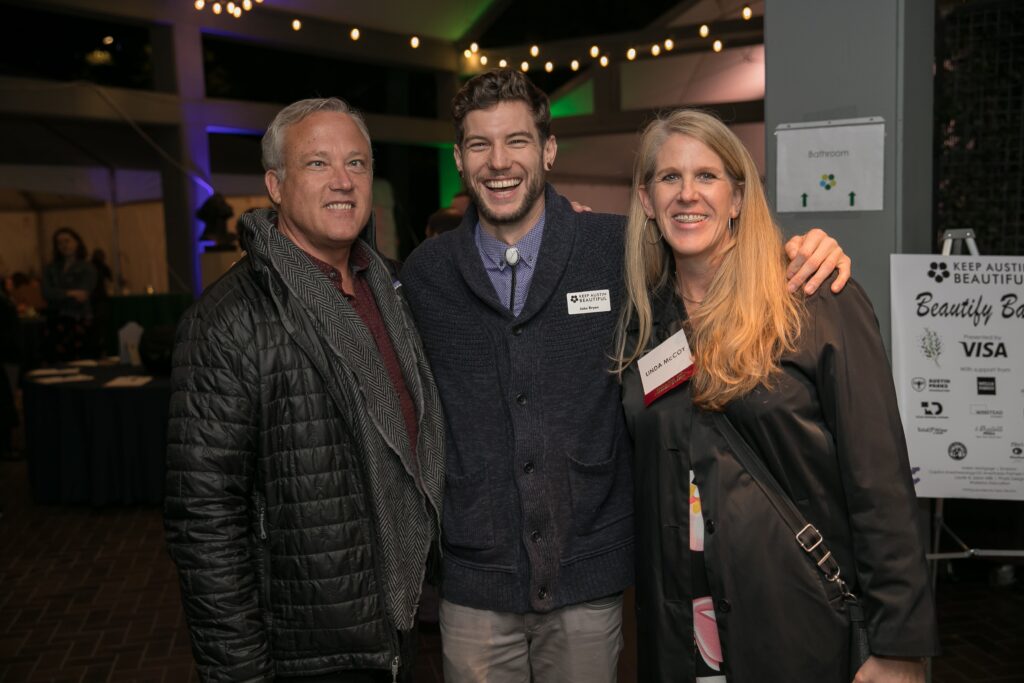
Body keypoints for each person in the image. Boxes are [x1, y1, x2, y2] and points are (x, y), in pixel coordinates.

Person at [399, 69, 850, 683]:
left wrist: (799, 251)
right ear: (459, 157)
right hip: (476, 583)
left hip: (589, 576)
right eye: (479, 145)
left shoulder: (614, 249)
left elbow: (708, 253)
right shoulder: (426, 276)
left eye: (518, 142)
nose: (498, 161)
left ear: (549, 150)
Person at [615, 110, 938, 682]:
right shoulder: (642, 325)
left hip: (796, 628)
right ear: (646, 199)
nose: (688, 194)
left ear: (739, 196)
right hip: (680, 633)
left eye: (708, 177)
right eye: (669, 178)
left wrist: (900, 645)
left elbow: (879, 480)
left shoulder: (811, 301)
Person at [164, 97, 446, 682]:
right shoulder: (227, 320)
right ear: (275, 184)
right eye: (318, 164)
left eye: (358, 164)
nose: (343, 181)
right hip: (303, 650)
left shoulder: (390, 288)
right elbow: (204, 523)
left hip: (392, 630)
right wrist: (239, 672)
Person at [42, 227, 97, 360]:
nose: (64, 245)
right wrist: (70, 293)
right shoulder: (51, 268)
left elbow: (83, 295)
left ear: (77, 242)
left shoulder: (87, 268)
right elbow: (47, 293)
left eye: (67, 241)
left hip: (80, 320)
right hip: (56, 321)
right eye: (59, 242)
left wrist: (59, 294)